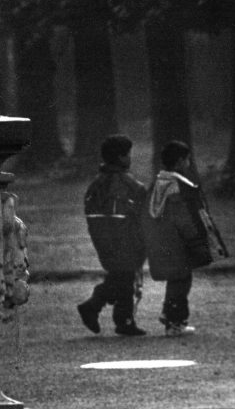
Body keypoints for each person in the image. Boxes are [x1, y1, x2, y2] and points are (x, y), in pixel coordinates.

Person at [143, 140, 228, 337]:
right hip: (178, 241)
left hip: (164, 239)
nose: (189, 162)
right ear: (181, 161)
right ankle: (174, 320)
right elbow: (182, 216)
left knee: (178, 278)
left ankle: (172, 316)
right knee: (181, 280)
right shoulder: (177, 185)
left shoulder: (160, 182)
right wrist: (195, 239)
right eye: (187, 159)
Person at [77, 134, 147, 337]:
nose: (130, 159)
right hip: (126, 238)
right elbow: (141, 213)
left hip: (102, 238)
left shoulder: (96, 184)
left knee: (121, 276)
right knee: (123, 277)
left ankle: (124, 320)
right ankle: (94, 306)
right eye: (128, 155)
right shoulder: (130, 185)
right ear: (121, 157)